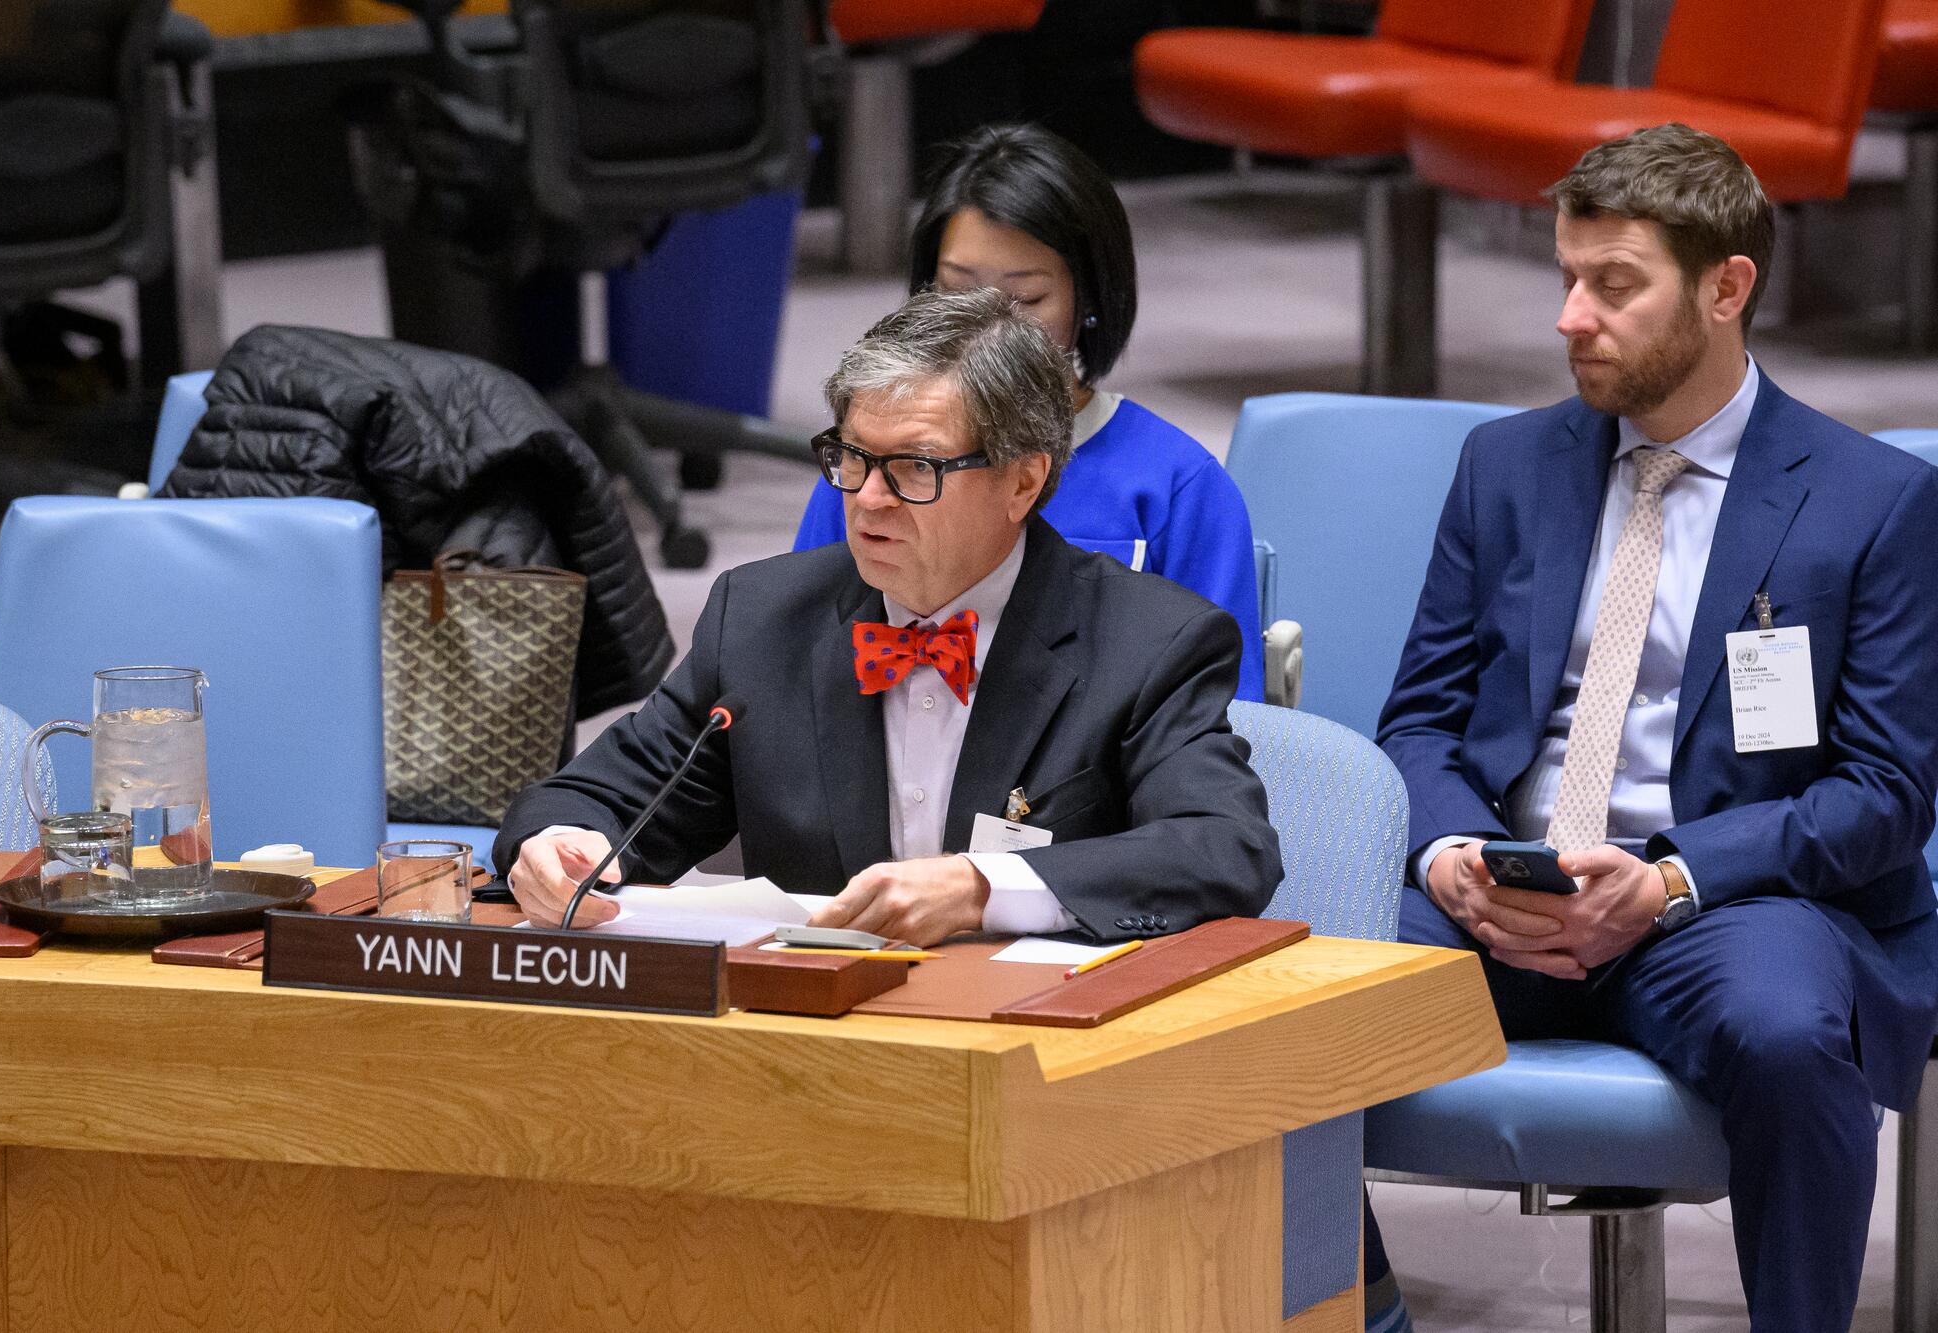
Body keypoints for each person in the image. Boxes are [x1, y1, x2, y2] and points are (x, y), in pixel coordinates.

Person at [1368, 123, 1938, 1333]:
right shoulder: (1503, 466)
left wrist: (1669, 881)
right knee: (1270, 999)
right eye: (1564, 278)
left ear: (1726, 288)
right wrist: (1453, 861)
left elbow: (1884, 794)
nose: (1570, 316)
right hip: (1499, 890)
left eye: (1612, 285)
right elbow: (1417, 720)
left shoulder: (1871, 500)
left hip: (1721, 901)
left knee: (1788, 1037)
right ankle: (1356, 1314)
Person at [496, 286, 1281, 945]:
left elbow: (1223, 846)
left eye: (914, 467)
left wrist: (985, 887)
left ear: (1023, 482)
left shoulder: (1147, 641)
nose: (866, 498)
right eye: (852, 457)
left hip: (1044, 1057)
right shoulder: (761, 620)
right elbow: (599, 797)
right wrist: (556, 843)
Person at [791, 123, 1266, 701]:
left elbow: (1223, 720)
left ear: (1089, 298)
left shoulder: (1179, 489)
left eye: (1025, 300)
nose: (986, 326)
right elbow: (799, 662)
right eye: (956, 292)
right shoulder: (868, 471)